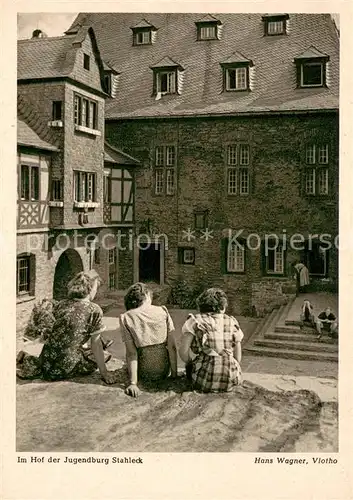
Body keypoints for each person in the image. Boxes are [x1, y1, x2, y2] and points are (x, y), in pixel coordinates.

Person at [16, 272, 117, 384]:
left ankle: (26, 357)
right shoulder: (94, 309)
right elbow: (96, 344)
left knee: (76, 347)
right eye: (95, 288)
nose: (96, 292)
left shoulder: (62, 304)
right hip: (66, 365)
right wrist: (104, 373)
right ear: (90, 289)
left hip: (47, 360)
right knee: (102, 356)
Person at [119, 282, 178, 398]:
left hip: (143, 371)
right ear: (146, 296)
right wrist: (174, 375)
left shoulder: (126, 317)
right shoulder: (163, 311)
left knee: (127, 357)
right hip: (163, 370)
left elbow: (131, 353)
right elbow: (172, 347)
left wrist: (133, 383)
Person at [179, 288, 243, 393]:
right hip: (231, 378)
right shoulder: (232, 322)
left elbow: (183, 352)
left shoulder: (195, 321)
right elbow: (238, 357)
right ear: (223, 307)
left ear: (200, 306)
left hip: (205, 378)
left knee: (192, 368)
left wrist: (190, 364)